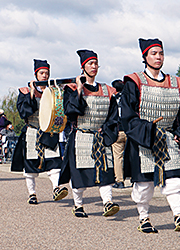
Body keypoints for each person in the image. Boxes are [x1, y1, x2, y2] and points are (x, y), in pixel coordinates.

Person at [121, 38, 180, 233]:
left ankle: (178, 215)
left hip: (168, 138)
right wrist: (146, 131)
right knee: (144, 185)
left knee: (174, 179)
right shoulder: (134, 82)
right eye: (153, 53)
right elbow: (128, 115)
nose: (158, 57)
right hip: (142, 140)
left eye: (161, 53)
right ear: (144, 57)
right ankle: (144, 217)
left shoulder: (175, 83)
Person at [59, 50, 119, 218]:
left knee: (105, 171)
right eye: (90, 63)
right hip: (81, 137)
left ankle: (108, 203)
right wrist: (79, 88)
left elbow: (113, 116)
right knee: (80, 174)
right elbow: (70, 112)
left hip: (100, 136)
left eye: (96, 63)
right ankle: (78, 205)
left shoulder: (108, 91)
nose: (94, 66)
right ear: (82, 66)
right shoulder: (71, 89)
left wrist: (105, 129)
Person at [11, 59, 68, 205]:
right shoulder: (24, 91)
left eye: (47, 73)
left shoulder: (54, 91)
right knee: (30, 164)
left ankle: (56, 188)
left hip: (49, 132)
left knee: (54, 162)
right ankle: (32, 193)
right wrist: (31, 93)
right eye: (42, 73)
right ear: (36, 74)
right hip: (32, 130)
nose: (44, 76)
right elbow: (24, 112)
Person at [107, 79, 127, 188]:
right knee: (131, 154)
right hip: (129, 130)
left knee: (117, 157)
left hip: (118, 130)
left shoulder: (113, 99)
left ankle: (119, 181)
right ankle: (136, 178)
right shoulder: (128, 98)